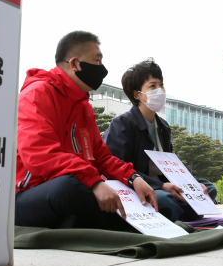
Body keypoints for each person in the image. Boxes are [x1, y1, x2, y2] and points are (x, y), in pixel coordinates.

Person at [15, 31, 158, 230]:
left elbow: (102, 157)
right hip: (29, 194)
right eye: (97, 62)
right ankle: (135, 229)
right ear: (74, 64)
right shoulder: (37, 94)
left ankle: (148, 223)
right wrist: (94, 182)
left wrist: (134, 178)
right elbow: (40, 155)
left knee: (150, 198)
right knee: (68, 188)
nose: (102, 69)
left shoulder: (83, 107)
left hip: (75, 186)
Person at [103, 58, 217, 222]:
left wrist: (190, 184)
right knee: (164, 199)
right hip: (139, 186)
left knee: (208, 187)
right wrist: (160, 186)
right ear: (137, 94)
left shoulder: (163, 126)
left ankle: (175, 211)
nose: (160, 90)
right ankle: (181, 210)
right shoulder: (122, 124)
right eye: (152, 86)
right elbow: (116, 166)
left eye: (161, 85)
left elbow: (171, 166)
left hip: (165, 185)